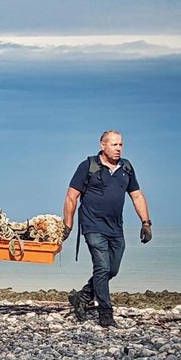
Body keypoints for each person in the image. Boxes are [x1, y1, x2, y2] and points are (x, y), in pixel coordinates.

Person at [63, 130, 152, 328]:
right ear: (102, 145)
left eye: (121, 145)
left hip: (116, 228)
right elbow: (71, 196)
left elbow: (137, 196)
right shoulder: (88, 166)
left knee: (112, 269)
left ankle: (82, 296)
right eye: (114, 144)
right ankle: (106, 314)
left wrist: (146, 223)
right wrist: (67, 225)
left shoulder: (126, 168)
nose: (118, 148)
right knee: (102, 267)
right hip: (92, 225)